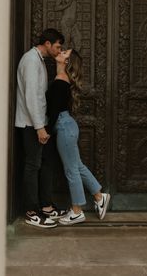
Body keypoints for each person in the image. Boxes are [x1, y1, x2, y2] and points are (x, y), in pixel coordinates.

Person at [46, 49, 110, 225]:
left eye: (65, 52)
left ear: (66, 62)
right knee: (77, 166)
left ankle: (76, 211)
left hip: (63, 126)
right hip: (68, 125)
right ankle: (99, 196)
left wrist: (46, 132)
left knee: (71, 170)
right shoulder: (63, 81)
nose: (61, 51)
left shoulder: (60, 82)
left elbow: (53, 113)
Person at [15, 28, 66, 228]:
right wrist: (39, 127)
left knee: (45, 164)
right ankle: (30, 211)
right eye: (57, 46)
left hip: (38, 122)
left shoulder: (39, 61)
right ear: (47, 44)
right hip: (30, 124)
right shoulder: (30, 61)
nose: (59, 50)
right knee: (32, 165)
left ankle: (46, 206)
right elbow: (31, 97)